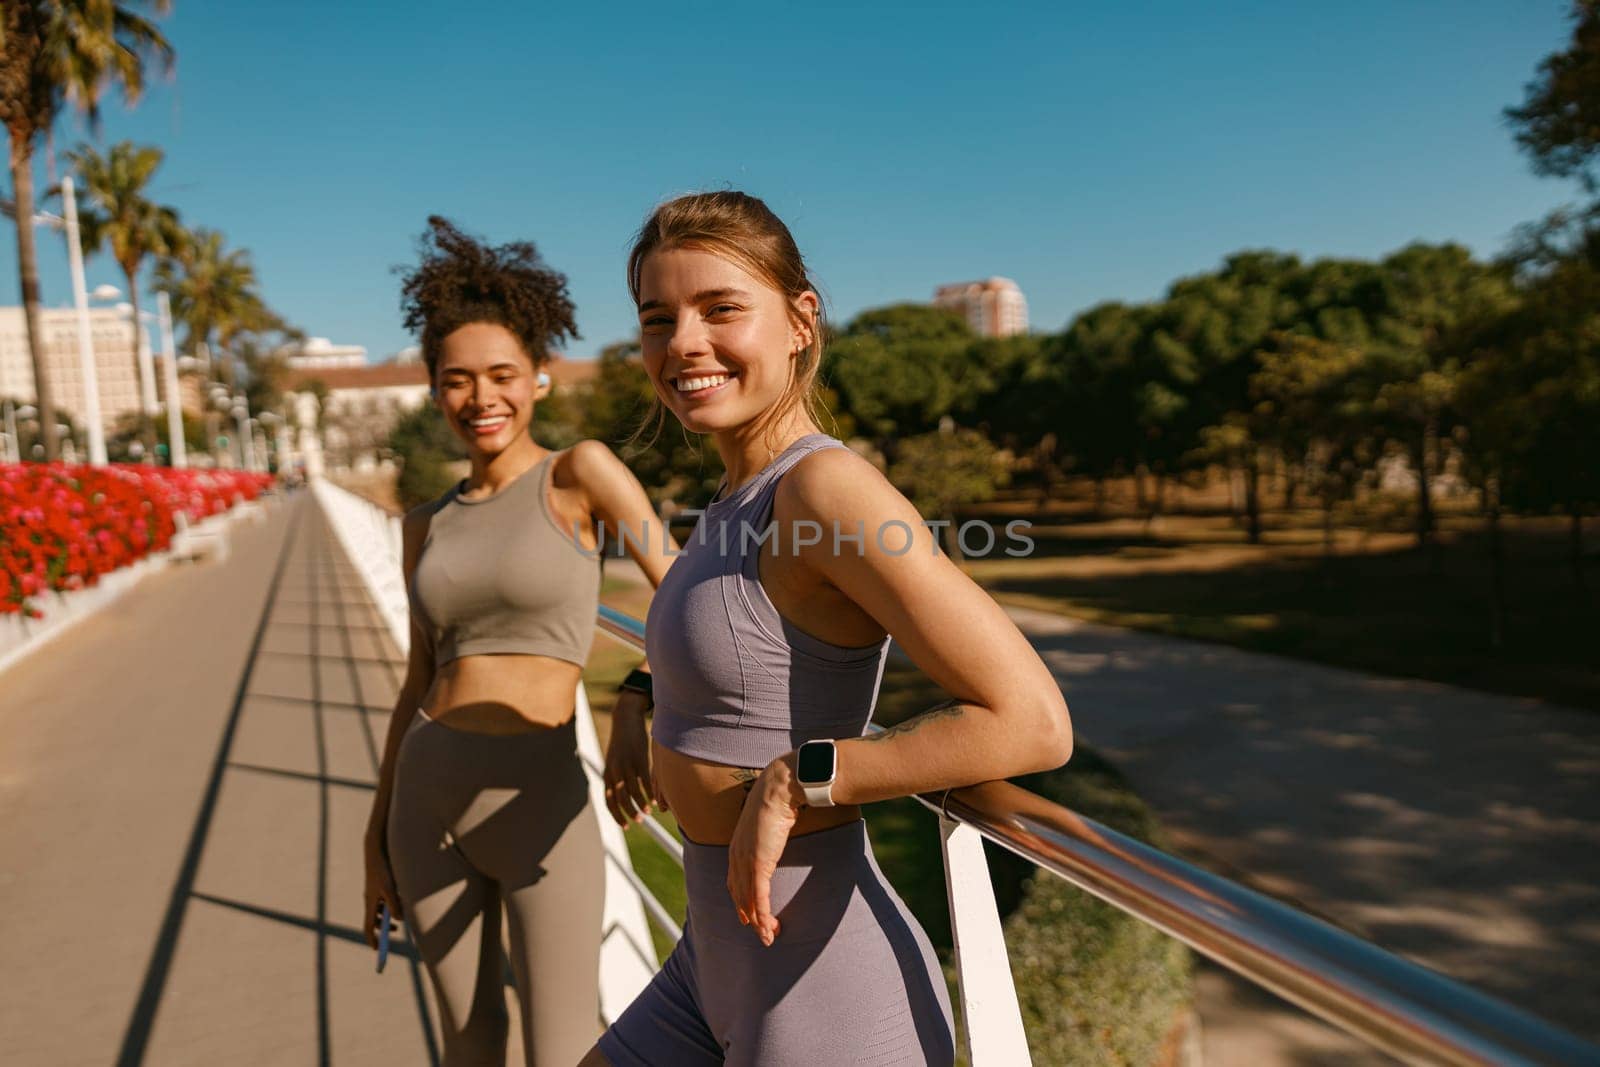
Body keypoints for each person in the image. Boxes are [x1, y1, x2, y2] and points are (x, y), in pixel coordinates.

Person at [584, 191, 1074, 1066]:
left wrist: (804, 776)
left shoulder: (825, 490)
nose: (683, 343)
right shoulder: (734, 500)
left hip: (823, 985)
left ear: (801, 320)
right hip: (715, 954)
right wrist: (638, 701)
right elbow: (735, 656)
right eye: (658, 319)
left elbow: (1032, 720)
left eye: (721, 308)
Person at [362, 217, 672, 1066]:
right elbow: (417, 677)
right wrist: (374, 829)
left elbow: (689, 600)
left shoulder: (580, 474)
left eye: (502, 374)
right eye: (456, 380)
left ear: (538, 377)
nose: (481, 396)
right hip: (425, 803)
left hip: (543, 798)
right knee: (469, 1045)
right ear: (434, 390)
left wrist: (633, 705)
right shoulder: (423, 525)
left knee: (566, 1048)